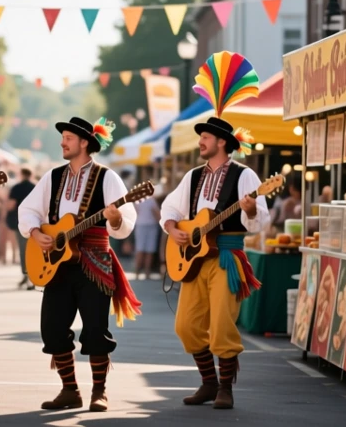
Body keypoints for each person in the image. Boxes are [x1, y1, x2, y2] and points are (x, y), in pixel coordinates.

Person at [17, 116, 141, 412]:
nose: (62, 142)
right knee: (52, 329)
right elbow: (28, 210)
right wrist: (36, 233)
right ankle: (69, 390)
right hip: (58, 264)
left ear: (84, 142)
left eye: (68, 138)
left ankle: (99, 392)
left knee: (96, 330)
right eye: (63, 138)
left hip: (94, 263)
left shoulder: (107, 177)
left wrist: (116, 218)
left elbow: (126, 223)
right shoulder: (53, 176)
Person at [159, 117, 269, 410]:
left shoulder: (244, 175)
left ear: (221, 142)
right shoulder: (193, 176)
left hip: (226, 257)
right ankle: (208, 383)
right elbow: (170, 206)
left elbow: (260, 221)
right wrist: (172, 227)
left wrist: (251, 208)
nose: (200, 142)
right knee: (186, 325)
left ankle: (224, 388)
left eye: (205, 137)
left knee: (222, 325)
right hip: (194, 261)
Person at [6, 167, 36, 289]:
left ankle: (27, 276)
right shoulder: (36, 186)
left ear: (22, 174)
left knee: (23, 250)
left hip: (21, 223)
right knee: (34, 251)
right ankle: (32, 276)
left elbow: (11, 205)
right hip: (35, 222)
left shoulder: (17, 188)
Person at [133, 192, 161, 280]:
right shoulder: (151, 200)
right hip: (151, 226)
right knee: (150, 250)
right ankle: (147, 272)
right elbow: (157, 214)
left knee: (140, 249)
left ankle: (137, 271)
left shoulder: (137, 200)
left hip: (140, 225)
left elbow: (135, 213)